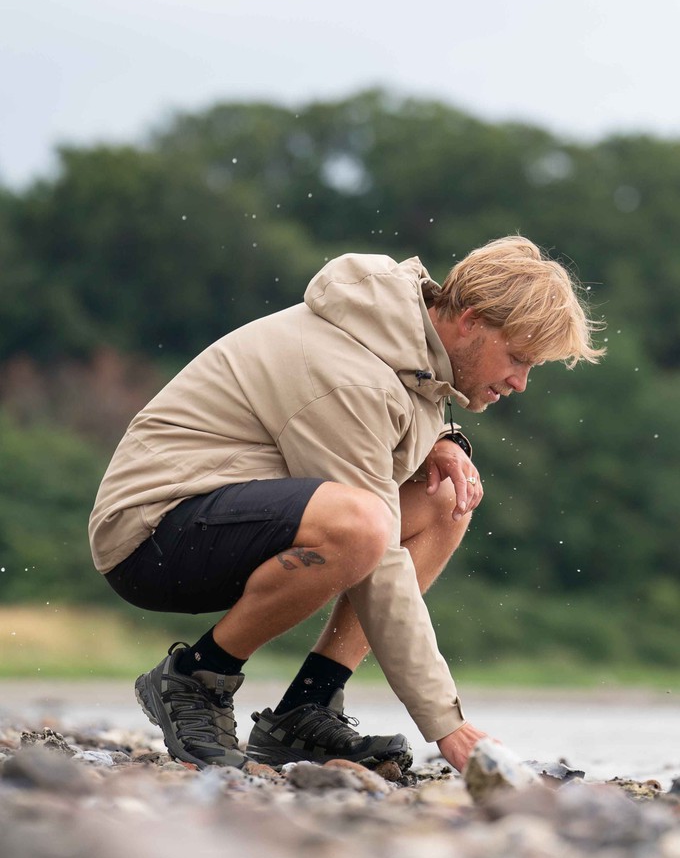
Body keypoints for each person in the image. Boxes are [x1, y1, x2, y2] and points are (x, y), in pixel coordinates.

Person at [89, 236, 604, 773]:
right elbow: (375, 548)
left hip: (227, 512)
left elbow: (397, 401)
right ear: (470, 320)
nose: (521, 382)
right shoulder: (348, 374)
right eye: (519, 358)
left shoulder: (399, 343)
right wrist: (446, 724)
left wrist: (442, 439)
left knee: (445, 500)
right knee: (361, 527)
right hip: (150, 537)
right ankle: (197, 678)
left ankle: (306, 708)